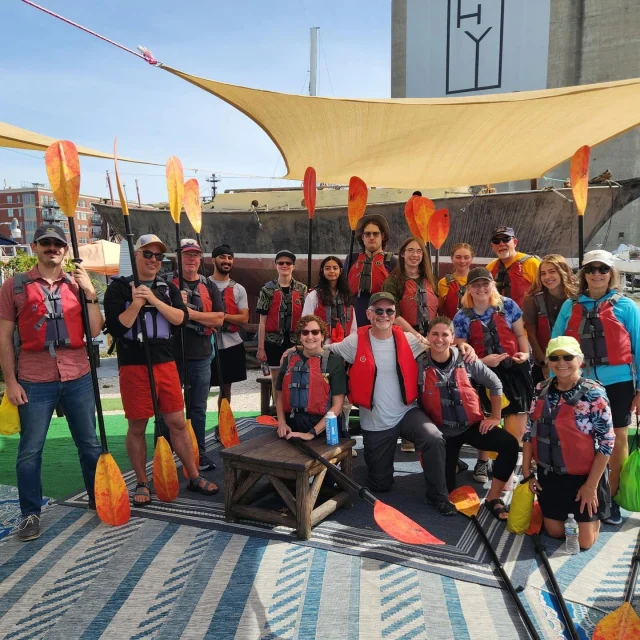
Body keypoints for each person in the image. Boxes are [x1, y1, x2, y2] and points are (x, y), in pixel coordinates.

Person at [322, 292, 476, 516]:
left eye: (389, 311)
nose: (383, 315)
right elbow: (328, 350)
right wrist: (296, 350)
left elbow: (439, 346)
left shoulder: (409, 340)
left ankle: (438, 496)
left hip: (407, 412)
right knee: (381, 485)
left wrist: (463, 347)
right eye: (378, 310)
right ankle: (380, 469)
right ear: (368, 314)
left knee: (433, 438)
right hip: (375, 421)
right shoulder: (354, 342)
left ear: (395, 315)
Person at [0, 224, 103, 541]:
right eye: (45, 243)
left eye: (57, 244)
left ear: (66, 251)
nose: (52, 248)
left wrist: (90, 294)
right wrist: (10, 383)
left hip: (77, 373)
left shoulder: (76, 285)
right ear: (34, 247)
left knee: (89, 444)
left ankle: (97, 498)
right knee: (30, 451)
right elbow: (4, 338)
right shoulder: (13, 286)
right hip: (34, 377)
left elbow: (96, 330)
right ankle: (30, 514)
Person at [104, 234, 218, 506]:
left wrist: (153, 300)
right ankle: (142, 482)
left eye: (159, 256)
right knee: (137, 425)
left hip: (165, 363)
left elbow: (180, 318)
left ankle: (193, 475)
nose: (154, 260)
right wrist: (137, 302)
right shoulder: (118, 288)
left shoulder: (167, 288)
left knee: (177, 422)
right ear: (137, 255)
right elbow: (118, 328)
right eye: (148, 254)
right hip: (134, 364)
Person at [552, 249, 640, 525]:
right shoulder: (570, 306)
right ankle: (581, 491)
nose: (597, 274)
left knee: (616, 439)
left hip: (617, 383)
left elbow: (639, 347)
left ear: (611, 273)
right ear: (584, 274)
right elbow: (556, 344)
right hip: (579, 382)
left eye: (602, 269)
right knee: (580, 439)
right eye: (591, 269)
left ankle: (610, 498)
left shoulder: (627, 307)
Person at [418, 317, 519, 520]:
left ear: (453, 337)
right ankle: (453, 465)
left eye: (445, 334)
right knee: (440, 494)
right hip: (443, 433)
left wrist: (496, 416)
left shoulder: (467, 359)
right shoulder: (418, 364)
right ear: (427, 337)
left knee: (509, 444)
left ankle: (493, 497)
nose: (440, 339)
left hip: (472, 426)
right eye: (435, 334)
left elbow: (495, 384)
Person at [523, 336, 614, 549]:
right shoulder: (540, 389)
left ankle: (595, 514)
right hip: (550, 474)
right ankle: (566, 514)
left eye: (567, 357)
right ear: (548, 361)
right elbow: (529, 432)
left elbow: (607, 442)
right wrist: (527, 472)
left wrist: (591, 486)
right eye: (554, 357)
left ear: (579, 360)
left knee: (584, 543)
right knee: (555, 532)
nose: (561, 362)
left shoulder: (594, 393)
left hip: (584, 477)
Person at [454, 267, 532, 485]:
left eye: (485, 283)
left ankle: (505, 467)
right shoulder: (462, 316)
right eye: (475, 285)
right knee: (486, 421)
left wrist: (525, 353)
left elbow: (519, 333)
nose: (481, 288)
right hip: (482, 373)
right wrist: (481, 362)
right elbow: (459, 345)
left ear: (492, 285)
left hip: (513, 371)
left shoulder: (508, 306)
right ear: (468, 288)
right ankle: (483, 460)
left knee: (515, 425)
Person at [166, 239, 224, 471]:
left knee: (198, 408)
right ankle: (166, 454)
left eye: (195, 255)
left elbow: (219, 319)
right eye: (187, 254)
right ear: (178, 257)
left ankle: (198, 452)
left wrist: (186, 313)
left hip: (200, 354)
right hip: (170, 355)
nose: (191, 259)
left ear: (200, 259)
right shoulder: (166, 285)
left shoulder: (209, 286)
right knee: (168, 409)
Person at [276, 315, 346, 441]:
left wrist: (311, 433)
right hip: (292, 425)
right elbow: (279, 394)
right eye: (305, 332)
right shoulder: (289, 358)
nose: (310, 337)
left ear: (323, 335)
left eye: (315, 332)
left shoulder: (334, 361)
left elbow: (338, 405)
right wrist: (281, 422)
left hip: (324, 429)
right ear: (299, 337)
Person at [522, 255, 578, 385]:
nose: (547, 277)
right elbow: (531, 333)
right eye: (543, 273)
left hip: (574, 360)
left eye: (552, 272)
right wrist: (544, 363)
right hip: (545, 361)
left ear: (563, 271)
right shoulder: (532, 299)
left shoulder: (579, 297)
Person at [256, 250, 307, 389]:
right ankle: (278, 410)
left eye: (288, 263)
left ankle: (292, 409)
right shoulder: (267, 290)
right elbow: (262, 321)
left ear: (293, 266)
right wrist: (261, 348)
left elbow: (306, 319)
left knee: (296, 378)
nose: (285, 265)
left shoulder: (302, 290)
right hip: (273, 342)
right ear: (276, 265)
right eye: (281, 263)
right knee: (276, 380)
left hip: (295, 342)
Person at [209, 244, 249, 410]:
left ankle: (223, 425)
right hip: (208, 344)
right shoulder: (203, 285)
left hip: (231, 344)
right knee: (201, 387)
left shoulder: (238, 289)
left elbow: (244, 318)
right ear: (214, 260)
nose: (226, 261)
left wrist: (221, 316)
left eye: (229, 258)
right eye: (222, 257)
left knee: (226, 389)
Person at [383, 236, 438, 338]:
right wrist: (417, 336)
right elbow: (393, 315)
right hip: (405, 337)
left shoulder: (431, 279)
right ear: (403, 254)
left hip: (431, 336)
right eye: (410, 250)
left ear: (423, 255)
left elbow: (436, 311)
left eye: (419, 251)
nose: (415, 255)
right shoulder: (392, 282)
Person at [347, 213, 396, 327]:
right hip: (355, 315)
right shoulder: (352, 259)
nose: (372, 237)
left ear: (382, 236)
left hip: (381, 315)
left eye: (376, 234)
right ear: (362, 237)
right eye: (367, 234)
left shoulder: (392, 261)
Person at [302, 255, 356, 343]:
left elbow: (353, 324)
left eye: (335, 268)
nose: (332, 271)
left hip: (345, 343)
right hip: (322, 343)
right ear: (322, 271)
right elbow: (305, 322)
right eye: (327, 268)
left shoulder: (346, 295)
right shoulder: (313, 296)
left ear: (340, 271)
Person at [486, 226, 540, 309]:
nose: (501, 244)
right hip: (498, 319)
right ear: (492, 246)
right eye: (496, 241)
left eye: (506, 239)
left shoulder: (532, 263)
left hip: (525, 318)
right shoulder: (489, 268)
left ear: (515, 242)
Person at [438, 242, 474, 320]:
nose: (462, 261)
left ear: (471, 259)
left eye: (466, 257)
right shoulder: (443, 283)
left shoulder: (479, 281)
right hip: (451, 328)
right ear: (452, 258)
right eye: (458, 257)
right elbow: (439, 309)